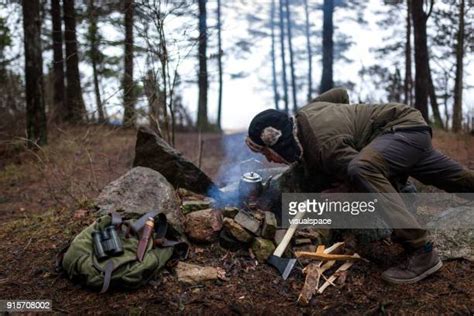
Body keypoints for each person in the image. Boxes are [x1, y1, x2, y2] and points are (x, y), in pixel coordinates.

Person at [245, 87, 474, 284]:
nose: (268, 160)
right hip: (408, 128)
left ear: (279, 143)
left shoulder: (325, 148)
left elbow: (366, 174)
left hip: (398, 132)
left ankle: (422, 251)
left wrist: (347, 192)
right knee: (456, 179)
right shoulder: (307, 113)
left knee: (361, 168)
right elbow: (340, 93)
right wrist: (353, 124)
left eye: (266, 152)